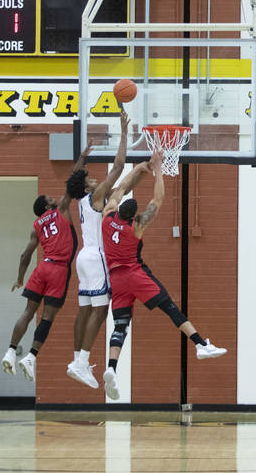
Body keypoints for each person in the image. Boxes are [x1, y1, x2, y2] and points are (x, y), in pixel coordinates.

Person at [100, 153, 226, 400]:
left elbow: (122, 187)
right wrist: (157, 170)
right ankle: (201, 344)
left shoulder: (107, 214)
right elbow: (158, 199)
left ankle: (111, 369)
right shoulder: (137, 227)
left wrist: (138, 169)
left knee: (120, 325)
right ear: (135, 216)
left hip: (116, 279)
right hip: (135, 274)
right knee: (169, 307)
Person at [1, 152, 87, 381]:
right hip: (58, 270)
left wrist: (20, 279)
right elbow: (73, 181)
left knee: (28, 312)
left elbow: (25, 255)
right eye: (50, 198)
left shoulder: (36, 226)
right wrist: (83, 158)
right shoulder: (61, 210)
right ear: (48, 205)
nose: (54, 199)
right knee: (47, 317)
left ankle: (10, 351)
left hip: (42, 268)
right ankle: (30, 356)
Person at [64, 112, 134, 389]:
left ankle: (76, 360)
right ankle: (82, 361)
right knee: (101, 311)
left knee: (83, 311)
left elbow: (74, 178)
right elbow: (117, 166)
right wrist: (125, 132)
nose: (95, 180)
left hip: (84, 257)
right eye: (90, 179)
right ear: (87, 187)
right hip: (96, 257)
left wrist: (81, 160)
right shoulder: (93, 196)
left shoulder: (81, 198)